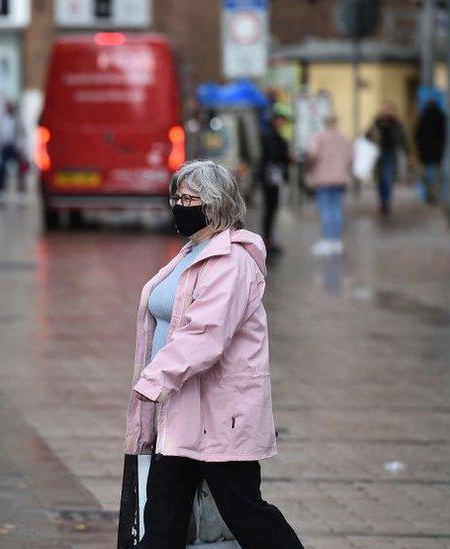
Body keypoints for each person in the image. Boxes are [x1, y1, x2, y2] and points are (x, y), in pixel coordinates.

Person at [122, 160, 302, 548]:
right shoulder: (191, 253)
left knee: (247, 514)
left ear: (216, 204)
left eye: (190, 198)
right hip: (182, 408)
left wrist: (153, 380)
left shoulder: (232, 261)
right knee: (162, 520)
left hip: (223, 415)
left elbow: (206, 335)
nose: (179, 205)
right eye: (177, 197)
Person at [306, 114, 352, 256]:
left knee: (325, 209)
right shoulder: (344, 138)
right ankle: (337, 241)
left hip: (323, 178)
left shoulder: (319, 137)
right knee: (337, 209)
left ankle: (327, 240)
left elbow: (312, 155)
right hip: (339, 178)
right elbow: (350, 158)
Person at [367, 100, 408, 216]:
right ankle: (382, 200)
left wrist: (408, 153)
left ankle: (386, 202)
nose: (387, 111)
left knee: (388, 178)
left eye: (389, 109)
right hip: (378, 154)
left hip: (391, 154)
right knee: (380, 180)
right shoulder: (376, 122)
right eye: (385, 108)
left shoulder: (397, 123)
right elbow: (368, 136)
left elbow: (403, 138)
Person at [260, 112, 290, 255]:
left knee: (272, 209)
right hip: (270, 177)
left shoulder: (273, 136)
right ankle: (267, 240)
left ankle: (269, 239)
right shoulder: (271, 137)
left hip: (272, 177)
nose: (282, 123)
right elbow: (274, 155)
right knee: (270, 208)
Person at [414, 100, 445, 205]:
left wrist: (418, 150)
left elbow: (416, 136)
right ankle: (433, 193)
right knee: (438, 176)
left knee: (422, 174)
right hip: (437, 152)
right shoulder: (442, 119)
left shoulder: (423, 119)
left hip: (424, 153)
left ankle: (430, 192)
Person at [0, 101, 26, 195]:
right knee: (2, 168)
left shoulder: (17, 120)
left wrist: (21, 147)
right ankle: (1, 189)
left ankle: (21, 189)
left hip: (15, 147)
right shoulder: (2, 119)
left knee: (20, 169)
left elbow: (22, 134)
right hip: (5, 146)